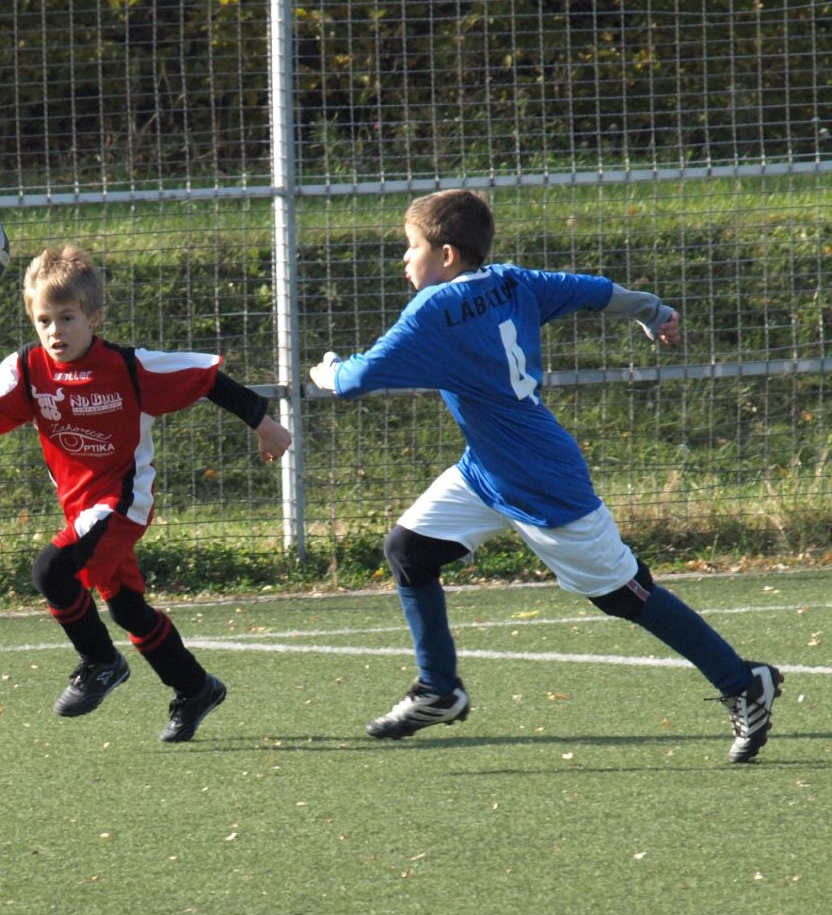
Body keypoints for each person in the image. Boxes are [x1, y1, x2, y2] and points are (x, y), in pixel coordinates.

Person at [308, 189, 782, 763]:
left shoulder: (432, 312)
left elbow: (357, 380)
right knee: (410, 548)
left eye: (412, 247)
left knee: (628, 596)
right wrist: (651, 310)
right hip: (488, 468)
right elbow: (597, 292)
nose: (405, 260)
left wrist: (328, 371)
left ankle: (743, 681)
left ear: (449, 255)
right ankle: (438, 690)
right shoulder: (513, 281)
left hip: (540, 480)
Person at [0, 244, 292, 742]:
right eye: (43, 320)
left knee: (50, 570)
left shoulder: (129, 368)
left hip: (122, 501)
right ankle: (195, 687)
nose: (55, 331)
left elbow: (206, 380)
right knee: (128, 608)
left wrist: (265, 424)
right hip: (80, 508)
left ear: (94, 317)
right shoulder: (27, 370)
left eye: (67, 317)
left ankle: (99, 662)